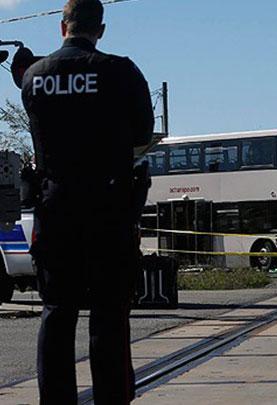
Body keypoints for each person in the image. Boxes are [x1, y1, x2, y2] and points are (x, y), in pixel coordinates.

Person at [20, 1, 154, 403]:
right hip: (108, 209)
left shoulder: (34, 77)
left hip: (55, 208)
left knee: (57, 312)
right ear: (102, 29)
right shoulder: (120, 71)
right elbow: (141, 134)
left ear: (62, 26)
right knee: (109, 314)